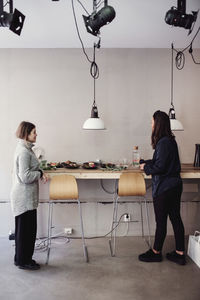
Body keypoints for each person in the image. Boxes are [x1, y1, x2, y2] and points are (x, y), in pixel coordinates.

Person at [138, 110, 186, 265]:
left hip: (164, 189)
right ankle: (179, 253)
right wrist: (146, 162)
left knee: (161, 222)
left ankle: (156, 252)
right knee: (176, 219)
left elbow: (159, 168)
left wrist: (145, 168)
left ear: (157, 124)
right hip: (174, 186)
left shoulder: (163, 142)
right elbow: (160, 161)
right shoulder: (170, 141)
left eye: (152, 122)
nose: (151, 125)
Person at [10, 121, 48, 270]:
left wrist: (40, 171)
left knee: (23, 231)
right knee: (26, 231)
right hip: (24, 197)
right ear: (27, 134)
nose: (36, 134)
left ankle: (20, 259)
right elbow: (25, 176)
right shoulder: (24, 152)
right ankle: (24, 261)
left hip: (24, 197)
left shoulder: (25, 148)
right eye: (34, 132)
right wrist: (39, 173)